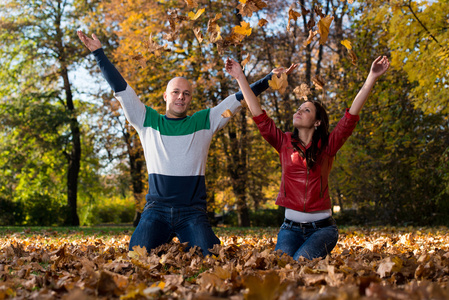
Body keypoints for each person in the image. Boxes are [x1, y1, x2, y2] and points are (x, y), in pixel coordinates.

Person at [77, 31, 295, 255]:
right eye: (176, 92)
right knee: (137, 255)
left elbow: (239, 98)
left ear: (190, 99)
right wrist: (99, 53)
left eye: (186, 94)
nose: (181, 97)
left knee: (212, 256)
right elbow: (121, 88)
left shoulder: (205, 120)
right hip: (156, 210)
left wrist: (270, 79)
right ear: (165, 96)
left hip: (192, 212)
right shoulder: (146, 120)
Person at [226, 56, 390, 260]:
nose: (299, 111)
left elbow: (350, 117)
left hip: (322, 230)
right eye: (299, 108)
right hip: (289, 229)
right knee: (281, 267)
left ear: (318, 122)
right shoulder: (283, 142)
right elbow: (258, 114)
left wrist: (371, 77)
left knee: (299, 265)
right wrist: (240, 77)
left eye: (306, 110)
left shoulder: (328, 146)